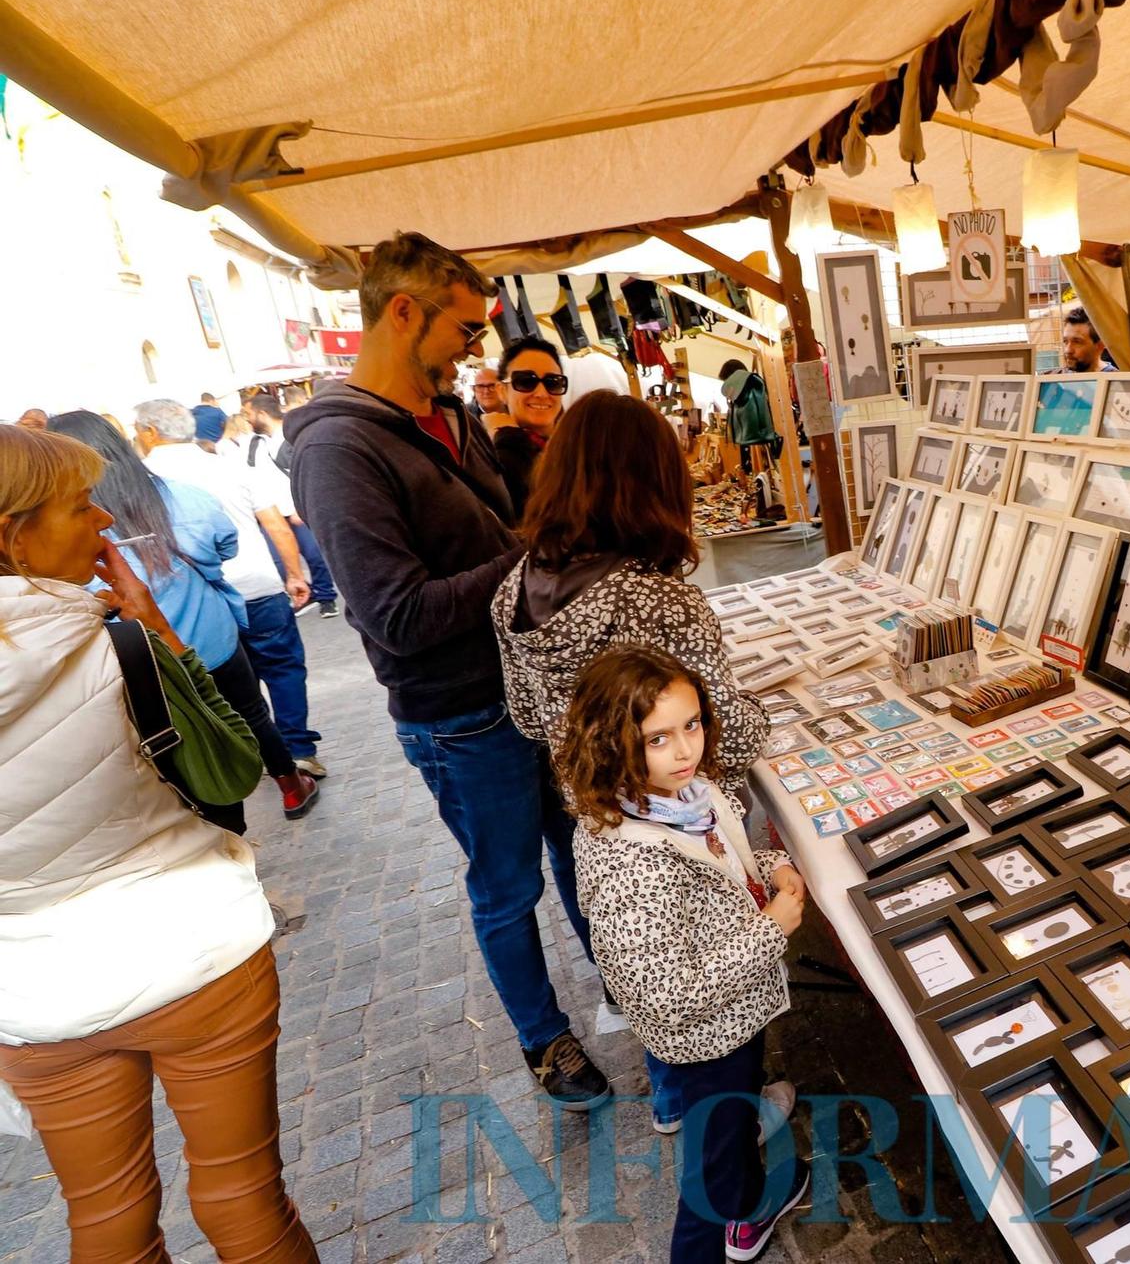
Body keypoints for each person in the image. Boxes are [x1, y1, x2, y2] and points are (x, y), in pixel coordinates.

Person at [286, 231, 610, 1107]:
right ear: (403, 312)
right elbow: (395, 615)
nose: (475, 350)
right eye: (465, 329)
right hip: (461, 714)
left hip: (532, 687)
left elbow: (498, 532)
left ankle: (622, 979)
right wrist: (529, 558)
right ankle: (545, 1038)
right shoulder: (338, 449)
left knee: (582, 849)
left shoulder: (455, 416)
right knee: (507, 886)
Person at [0, 424, 316, 1263]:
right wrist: (159, 632)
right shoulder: (119, 644)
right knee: (244, 1196)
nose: (104, 521)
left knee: (107, 1219)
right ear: (13, 535)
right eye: (79, 506)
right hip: (191, 953)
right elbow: (234, 767)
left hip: (34, 995)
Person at [493, 390, 773, 1134]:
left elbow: (528, 718)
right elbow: (724, 732)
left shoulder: (516, 587)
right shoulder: (658, 600)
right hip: (686, 824)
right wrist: (758, 712)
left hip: (602, 815)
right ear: (652, 480)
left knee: (653, 952)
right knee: (710, 959)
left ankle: (673, 1095)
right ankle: (723, 1127)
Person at [554, 646, 810, 1264]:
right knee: (708, 1172)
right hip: (705, 1035)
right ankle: (722, 1226)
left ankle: (751, 1196)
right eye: (658, 738)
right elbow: (665, 995)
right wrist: (771, 930)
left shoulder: (683, 793)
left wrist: (770, 864)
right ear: (612, 744)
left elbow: (723, 849)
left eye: (692, 724)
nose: (685, 749)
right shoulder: (630, 861)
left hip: (737, 1012)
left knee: (732, 1116)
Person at [45, 410, 321, 810]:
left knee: (174, 734)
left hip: (140, 659)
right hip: (211, 637)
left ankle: (215, 813)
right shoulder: (184, 497)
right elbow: (225, 544)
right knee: (251, 714)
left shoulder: (65, 532)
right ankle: (291, 787)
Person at [134, 399, 327, 803]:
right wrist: (294, 573)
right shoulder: (230, 465)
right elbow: (274, 524)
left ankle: (258, 756)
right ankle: (296, 751)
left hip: (197, 605)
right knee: (282, 669)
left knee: (231, 686)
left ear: (150, 432)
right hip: (257, 586)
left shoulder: (142, 482)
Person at [245, 394, 340, 618]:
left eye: (248, 414)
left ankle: (327, 597)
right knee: (279, 559)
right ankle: (305, 591)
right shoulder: (254, 443)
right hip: (272, 512)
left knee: (315, 556)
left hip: (298, 510)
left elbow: (311, 473)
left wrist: (302, 504)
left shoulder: (291, 436)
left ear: (262, 413)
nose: (246, 419)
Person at [481, 335, 568, 513]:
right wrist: (509, 438)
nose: (541, 393)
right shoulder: (492, 459)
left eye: (553, 383)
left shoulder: (578, 447)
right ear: (502, 391)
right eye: (526, 381)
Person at [1061, 307, 1117, 371]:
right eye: (1065, 341)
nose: (1068, 350)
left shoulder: (1116, 377)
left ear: (1100, 345)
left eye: (1077, 342)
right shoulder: (1057, 375)